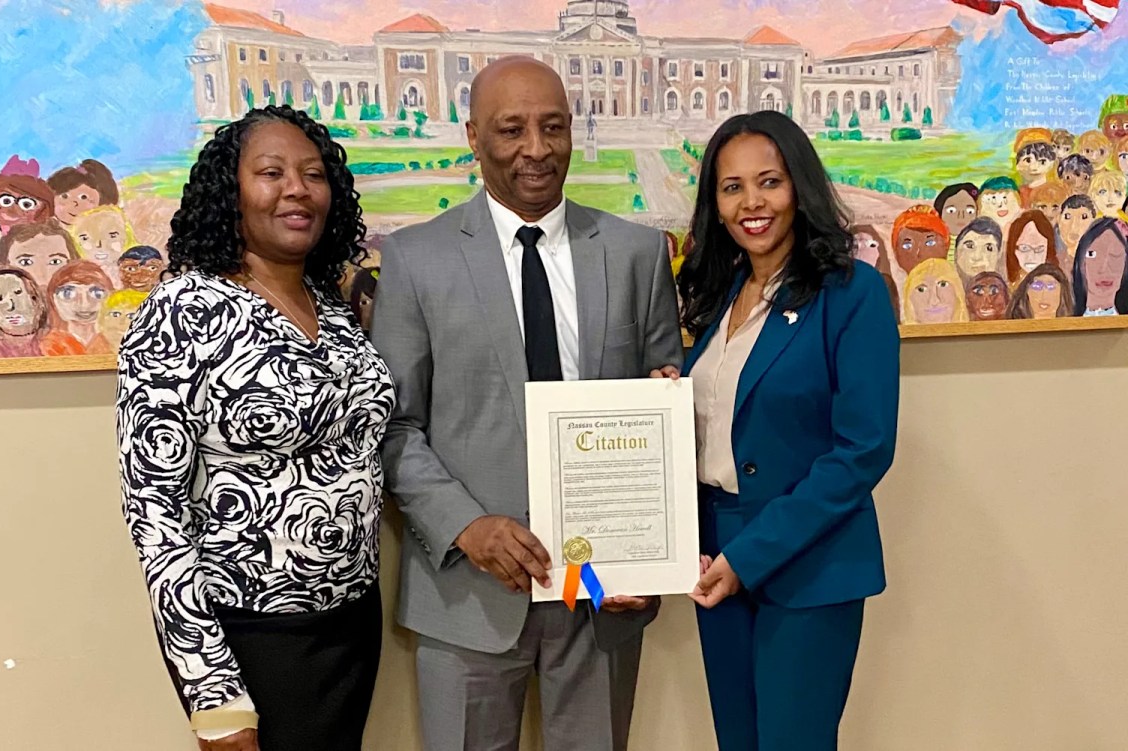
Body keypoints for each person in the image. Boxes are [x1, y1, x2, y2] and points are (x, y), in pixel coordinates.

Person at [369, 56, 683, 751]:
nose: (536, 149)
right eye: (511, 129)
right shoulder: (417, 260)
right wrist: (466, 527)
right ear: (474, 137)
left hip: (604, 593)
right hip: (469, 592)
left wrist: (648, 552)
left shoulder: (635, 253)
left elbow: (666, 402)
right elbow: (393, 425)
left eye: (553, 127)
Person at [115, 105, 394, 751]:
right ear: (229, 191)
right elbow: (154, 509)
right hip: (252, 636)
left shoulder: (333, 306)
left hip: (352, 621)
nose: (297, 188)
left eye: (313, 174)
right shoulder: (184, 310)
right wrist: (212, 692)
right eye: (271, 172)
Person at [661, 110, 899, 750]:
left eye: (769, 181)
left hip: (808, 562)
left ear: (800, 187)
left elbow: (863, 450)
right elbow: (730, 422)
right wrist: (668, 402)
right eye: (731, 187)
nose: (751, 203)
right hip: (718, 557)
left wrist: (751, 556)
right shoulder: (722, 294)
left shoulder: (854, 293)